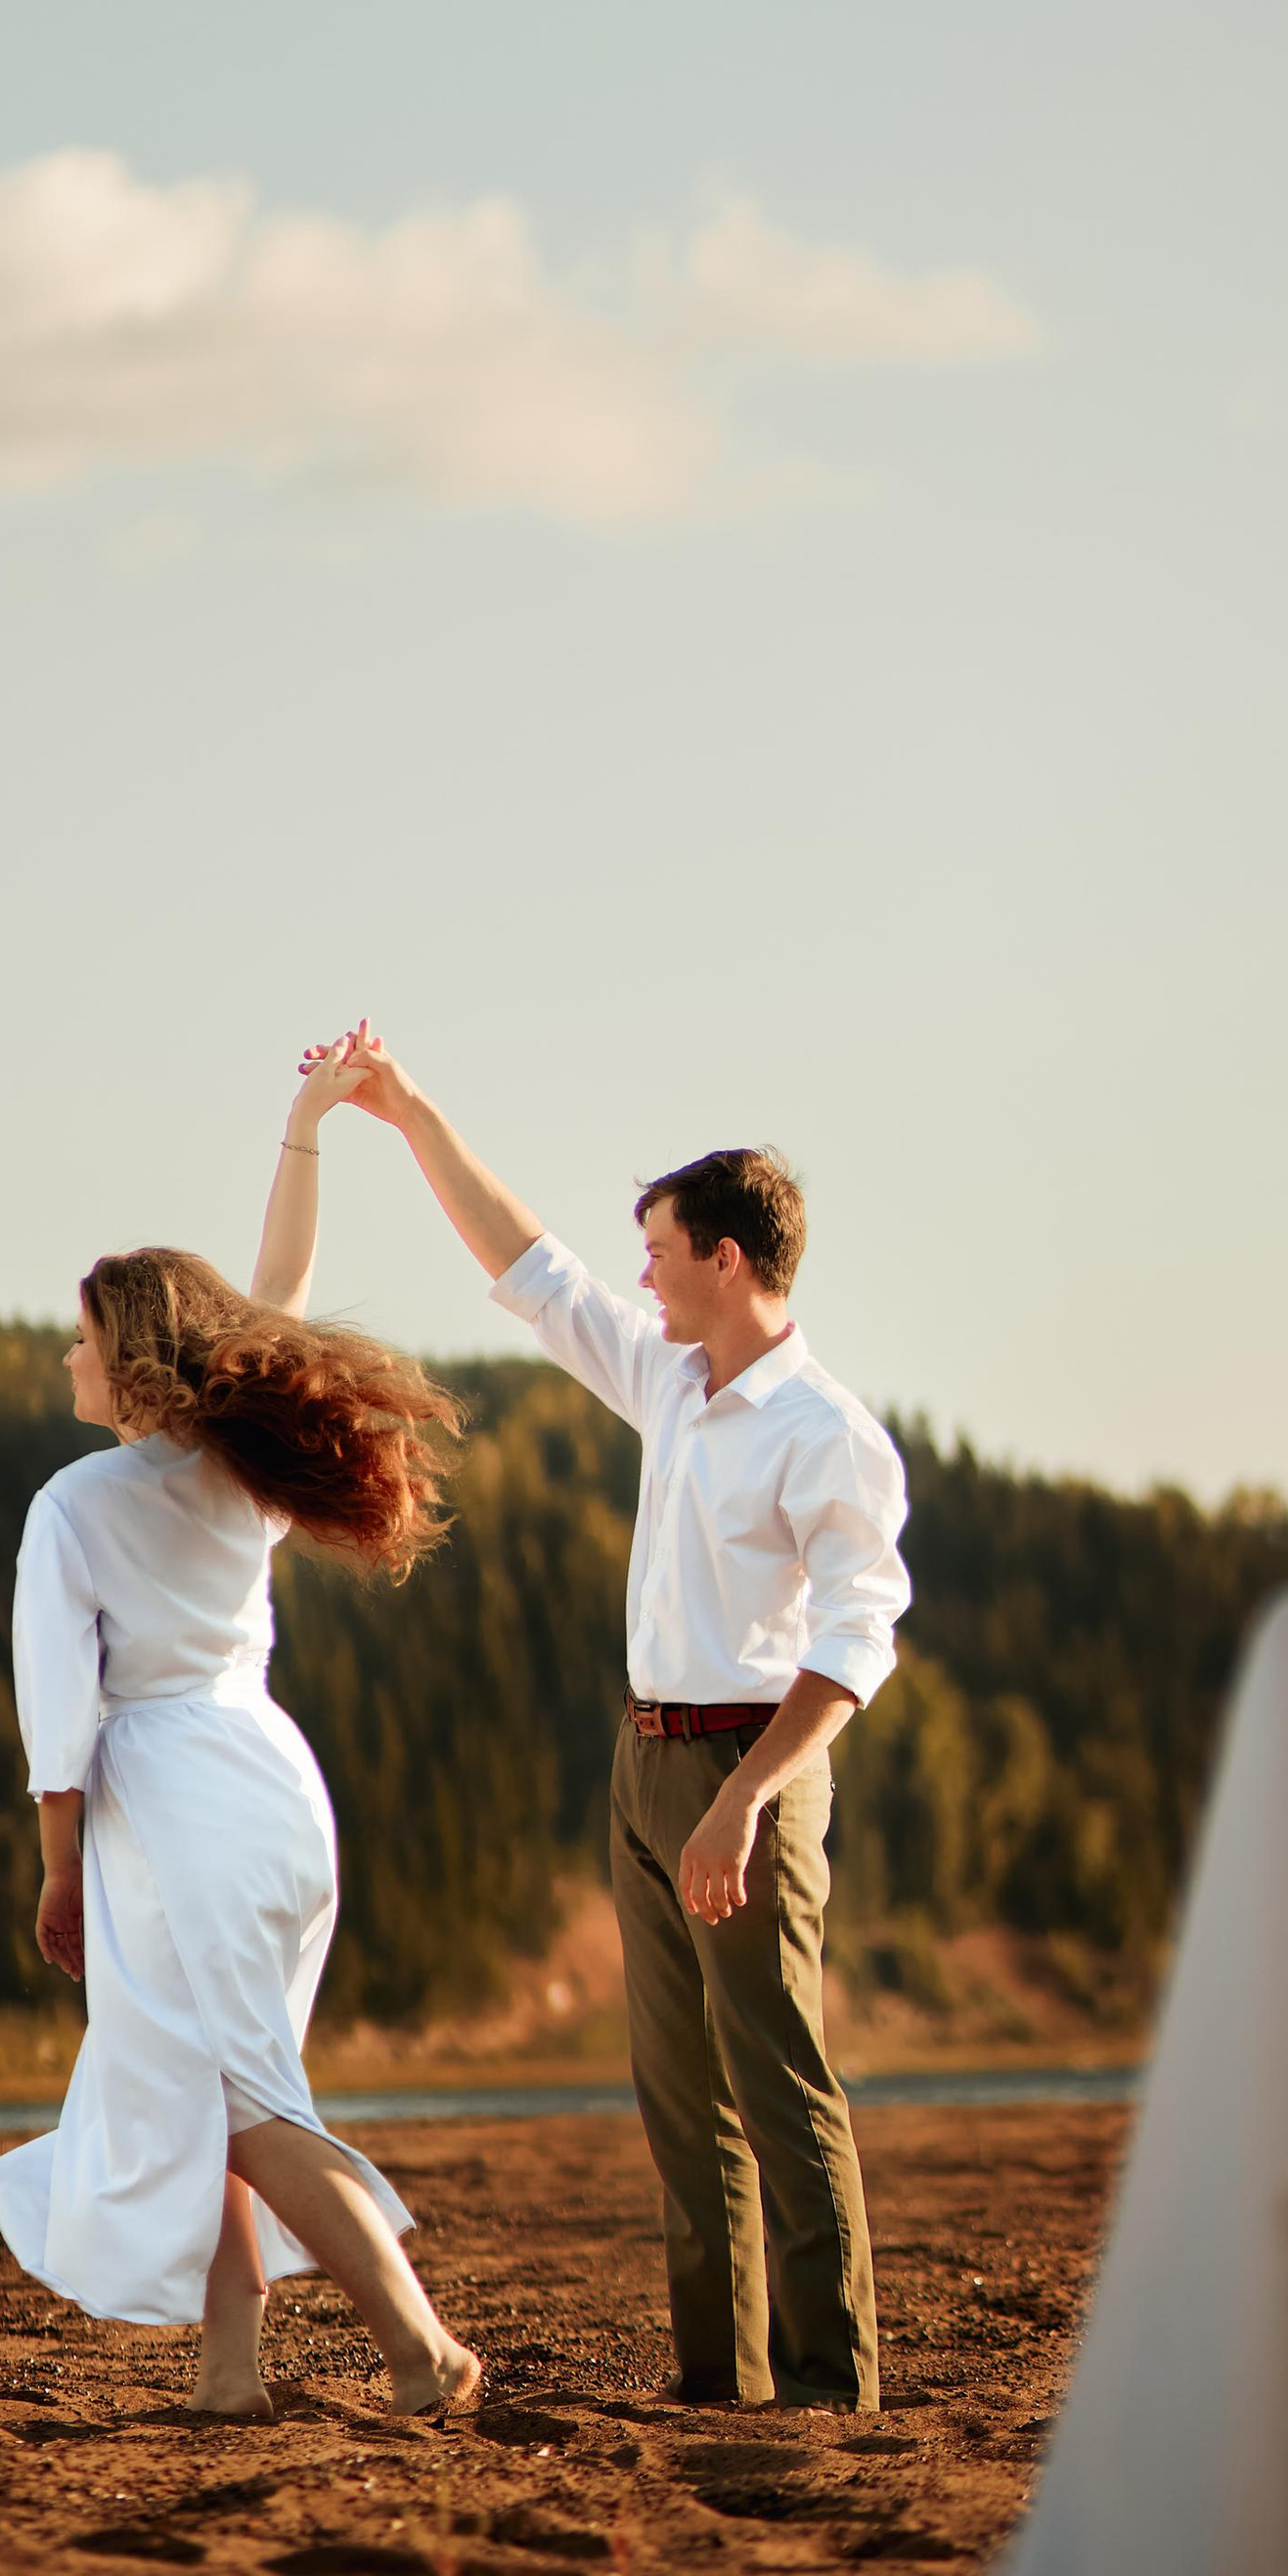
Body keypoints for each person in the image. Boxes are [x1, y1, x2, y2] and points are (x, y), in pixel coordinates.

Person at [308, 1020, 909, 2413]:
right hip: (644, 1759)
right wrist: (409, 1112)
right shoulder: (672, 1383)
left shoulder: (827, 1433)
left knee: (779, 2084)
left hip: (749, 1769)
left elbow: (856, 1642)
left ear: (727, 1259)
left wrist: (745, 1801)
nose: (640, 1273)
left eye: (660, 1249)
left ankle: (833, 2397)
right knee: (680, 2101)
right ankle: (720, 2385)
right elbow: (534, 1271)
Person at [0, 1049, 484, 2421]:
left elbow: (57, 1715)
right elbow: (283, 1294)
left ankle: (423, 2349)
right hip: (269, 1783)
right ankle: (229, 2372)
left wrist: (57, 1869)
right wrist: (304, 1126)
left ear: (131, 1358)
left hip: (169, 1806)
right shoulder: (241, 1471)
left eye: (82, 1337)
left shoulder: (72, 1507)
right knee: (205, 2080)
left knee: (238, 2093)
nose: (67, 1355)